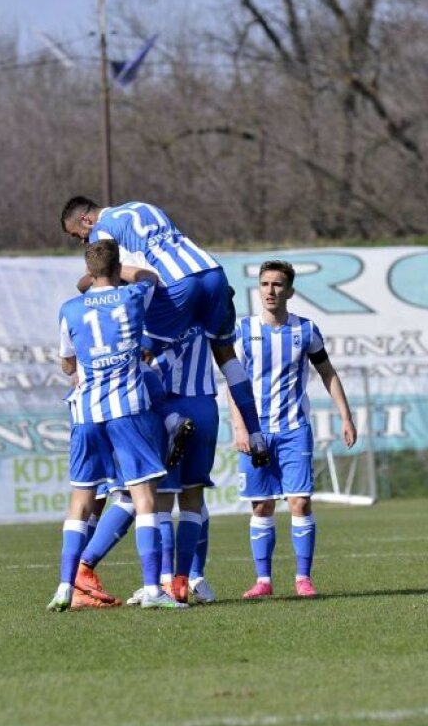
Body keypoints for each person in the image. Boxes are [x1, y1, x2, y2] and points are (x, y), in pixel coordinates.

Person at [60, 196, 270, 469]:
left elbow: (103, 274)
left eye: (79, 235)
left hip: (177, 285)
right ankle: (257, 435)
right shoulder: (143, 206)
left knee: (133, 358)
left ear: (87, 220)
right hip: (211, 271)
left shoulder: (102, 230)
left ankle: (170, 422)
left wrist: (83, 281)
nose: (83, 242)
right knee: (227, 356)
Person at [48, 238, 185, 611]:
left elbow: (67, 364)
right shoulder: (132, 296)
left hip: (86, 413)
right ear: (117, 266)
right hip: (127, 409)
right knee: (143, 499)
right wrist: (119, 268)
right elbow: (149, 277)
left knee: (81, 501)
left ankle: (64, 587)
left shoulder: (70, 309)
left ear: (89, 271)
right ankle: (153, 590)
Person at [228, 260, 356, 598]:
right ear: (258, 288)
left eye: (278, 285)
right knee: (262, 506)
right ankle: (264, 581)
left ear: (290, 291)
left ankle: (303, 578)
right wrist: (240, 427)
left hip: (294, 428)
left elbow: (328, 372)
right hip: (255, 431)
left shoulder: (305, 330)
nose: (271, 290)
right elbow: (233, 382)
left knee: (299, 502)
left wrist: (346, 416)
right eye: (265, 284)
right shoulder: (243, 331)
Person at [127, 326, 219, 606]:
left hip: (165, 408)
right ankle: (184, 580)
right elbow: (230, 362)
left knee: (162, 500)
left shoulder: (154, 313)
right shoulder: (209, 309)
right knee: (193, 498)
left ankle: (166, 580)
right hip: (204, 406)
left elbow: (142, 357)